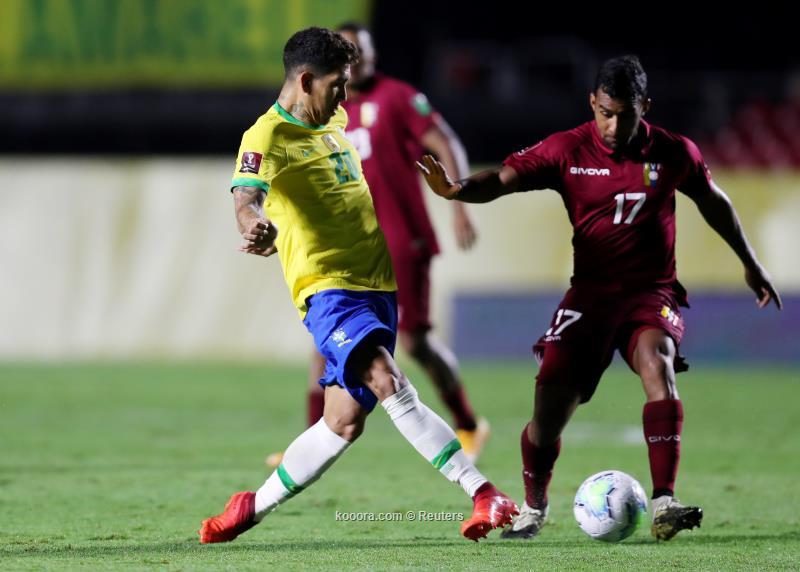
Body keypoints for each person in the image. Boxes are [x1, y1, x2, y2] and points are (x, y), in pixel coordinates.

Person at [417, 55, 782, 541]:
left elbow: (715, 202)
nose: (613, 125)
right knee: (546, 413)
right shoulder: (567, 148)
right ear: (593, 103)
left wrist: (751, 263)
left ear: (644, 107)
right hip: (589, 295)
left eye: (625, 114)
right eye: (605, 112)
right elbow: (503, 179)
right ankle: (535, 506)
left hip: (650, 293)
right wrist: (457, 190)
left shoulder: (673, 152)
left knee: (658, 363)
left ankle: (664, 501)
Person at [198, 27, 518, 544]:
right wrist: (251, 224)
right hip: (329, 291)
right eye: (336, 86)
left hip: (377, 286)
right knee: (389, 380)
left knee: (343, 422)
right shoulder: (266, 137)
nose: (346, 98)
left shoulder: (335, 118)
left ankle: (250, 506)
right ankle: (483, 491)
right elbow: (245, 196)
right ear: (305, 80)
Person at [267, 22, 488, 471]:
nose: (358, 63)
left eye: (362, 53)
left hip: (403, 239)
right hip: (347, 253)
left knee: (416, 341)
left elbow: (443, 140)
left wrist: (461, 201)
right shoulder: (320, 112)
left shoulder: (398, 98)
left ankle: (467, 422)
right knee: (324, 342)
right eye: (350, 56)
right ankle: (313, 439)